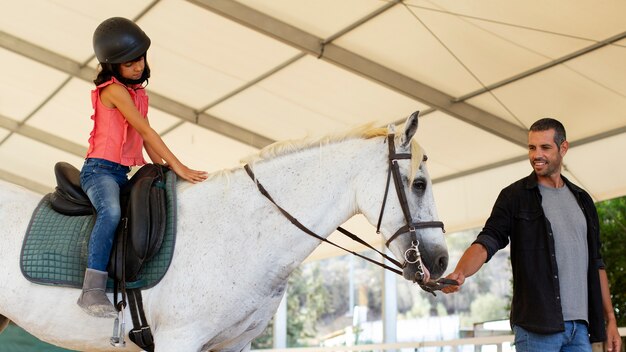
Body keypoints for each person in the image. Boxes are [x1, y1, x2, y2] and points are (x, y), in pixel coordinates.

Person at [442, 118, 621, 352]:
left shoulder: (583, 201)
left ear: (563, 148)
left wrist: (611, 319)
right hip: (536, 329)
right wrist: (461, 271)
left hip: (580, 329)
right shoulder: (513, 197)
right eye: (532, 147)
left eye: (545, 147)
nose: (537, 155)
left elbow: (597, 264)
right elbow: (487, 241)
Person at [77, 17, 208, 318]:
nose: (137, 67)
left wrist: (165, 171)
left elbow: (146, 139)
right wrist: (181, 166)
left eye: (140, 60)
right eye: (129, 63)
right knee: (110, 211)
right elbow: (148, 133)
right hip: (99, 171)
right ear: (113, 67)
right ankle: (92, 288)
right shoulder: (113, 91)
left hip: (122, 173)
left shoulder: (138, 94)